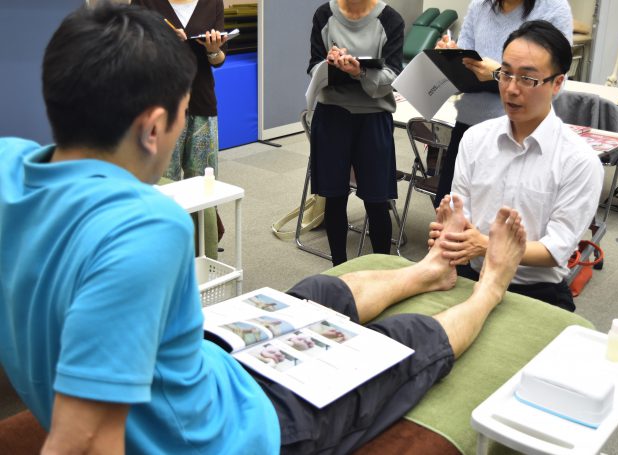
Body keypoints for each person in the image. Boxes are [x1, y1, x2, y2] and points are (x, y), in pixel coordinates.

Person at [0, 4, 526, 454]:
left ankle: (429, 271)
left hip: (209, 363)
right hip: (243, 428)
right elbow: (82, 440)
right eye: (183, 112)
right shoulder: (145, 228)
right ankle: (491, 287)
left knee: (318, 292)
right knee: (402, 344)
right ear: (155, 128)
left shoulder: (9, 166)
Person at [429, 20, 604, 312]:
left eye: (527, 79)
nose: (511, 89)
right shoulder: (475, 139)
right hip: (471, 277)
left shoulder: (579, 161)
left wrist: (484, 245)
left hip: (535, 292)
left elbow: (556, 249)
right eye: (505, 74)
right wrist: (451, 232)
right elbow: (463, 213)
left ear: (557, 83)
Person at [433, 0, 573, 207]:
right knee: (450, 207)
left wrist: (498, 74)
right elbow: (463, 67)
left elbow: (556, 86)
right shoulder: (480, 6)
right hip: (469, 125)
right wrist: (449, 57)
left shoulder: (553, 8)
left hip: (521, 134)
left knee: (508, 210)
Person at [308, 0, 404, 266]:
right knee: (334, 198)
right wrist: (328, 65)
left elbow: (392, 76)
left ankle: (382, 272)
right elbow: (313, 66)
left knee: (377, 201)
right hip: (332, 115)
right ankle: (338, 268)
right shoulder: (324, 14)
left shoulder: (390, 19)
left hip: (373, 118)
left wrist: (359, 72)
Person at [132, 0, 229, 250]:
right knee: (164, 184)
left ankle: (204, 246)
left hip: (201, 101)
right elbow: (132, 50)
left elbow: (218, 59)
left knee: (204, 182)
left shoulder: (212, 2)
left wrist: (213, 49)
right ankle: (166, 247)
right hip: (160, 107)